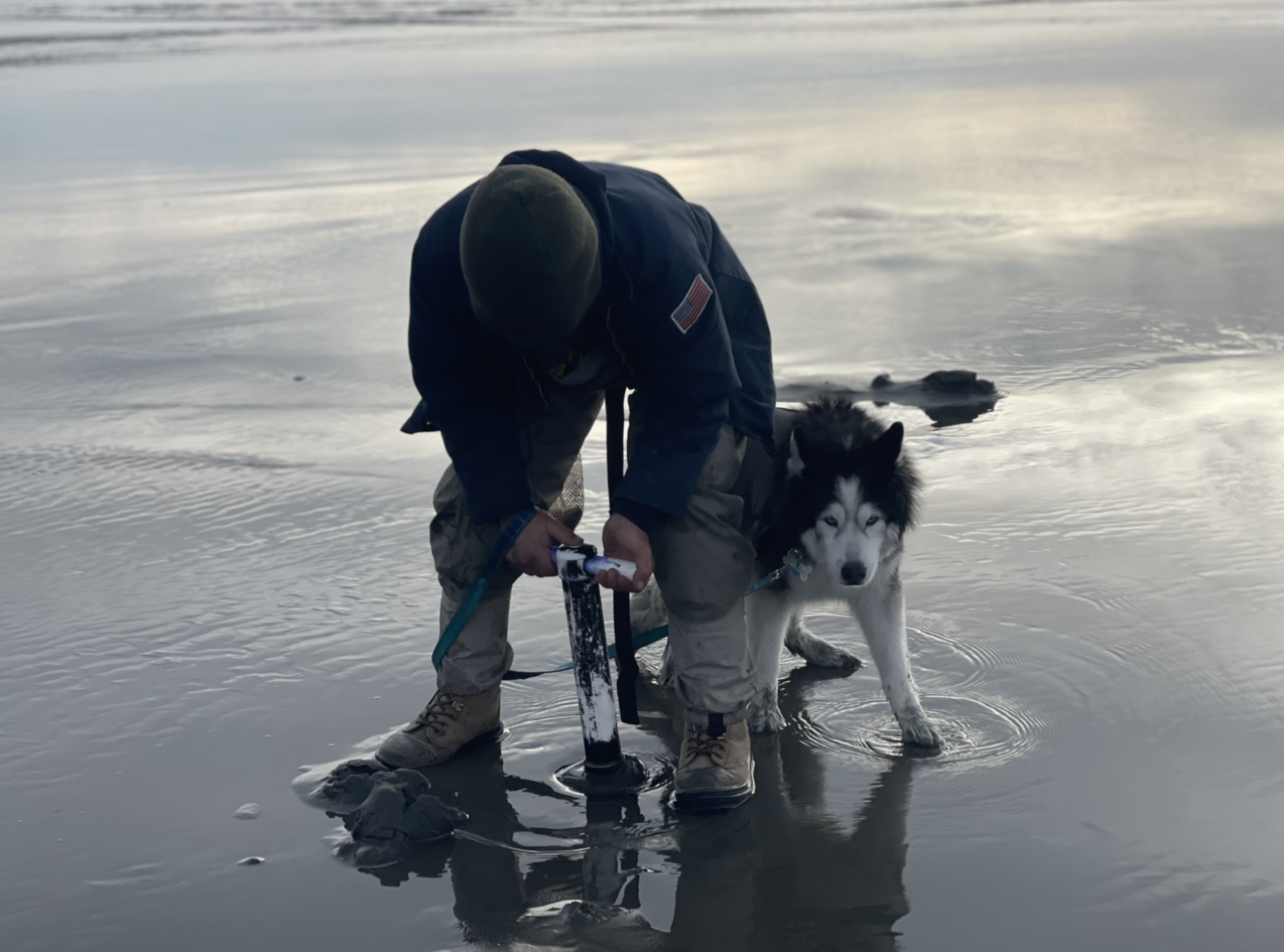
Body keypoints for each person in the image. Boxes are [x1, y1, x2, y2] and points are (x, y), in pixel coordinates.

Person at [376, 149, 775, 811]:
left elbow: (696, 393)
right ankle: (468, 697)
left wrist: (641, 511)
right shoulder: (445, 258)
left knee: (697, 504)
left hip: (686, 351)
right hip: (522, 368)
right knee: (470, 507)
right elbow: (461, 398)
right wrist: (511, 512)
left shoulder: (661, 256)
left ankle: (714, 721)